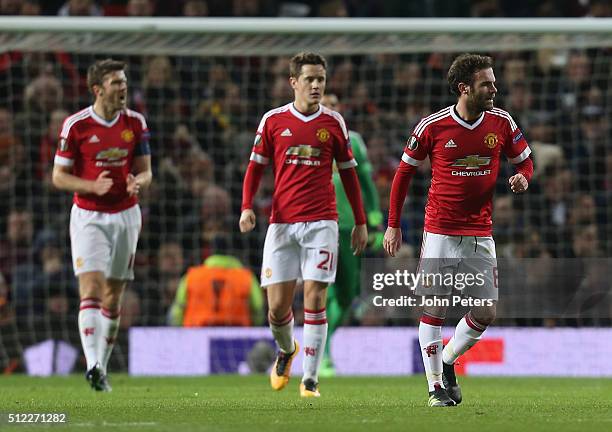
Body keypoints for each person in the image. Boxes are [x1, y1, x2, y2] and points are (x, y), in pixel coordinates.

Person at [384, 53, 533, 407]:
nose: (494, 88)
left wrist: (523, 177)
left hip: (481, 232)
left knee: (486, 312)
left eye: (494, 82)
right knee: (434, 308)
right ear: (464, 89)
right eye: (487, 83)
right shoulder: (432, 127)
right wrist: (392, 225)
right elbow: (403, 174)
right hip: (440, 232)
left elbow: (525, 160)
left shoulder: (501, 122)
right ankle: (435, 387)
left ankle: (448, 361)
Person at [239, 52, 368, 398]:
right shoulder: (273, 121)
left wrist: (360, 221)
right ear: (293, 82)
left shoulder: (334, 123)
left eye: (321, 80)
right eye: (309, 79)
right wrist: (247, 207)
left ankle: (310, 380)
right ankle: (287, 350)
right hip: (281, 225)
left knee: (316, 297)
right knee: (277, 309)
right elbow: (255, 168)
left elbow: (351, 176)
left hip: (323, 223)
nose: (316, 85)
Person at [52, 59, 152, 391]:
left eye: (124, 82)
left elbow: (146, 170)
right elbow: (58, 177)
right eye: (115, 83)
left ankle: (101, 368)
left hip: (126, 215)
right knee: (91, 289)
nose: (123, 88)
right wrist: (91, 186)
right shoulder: (76, 125)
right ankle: (93, 363)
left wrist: (138, 181)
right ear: (98, 89)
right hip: (89, 216)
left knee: (113, 295)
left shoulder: (135, 123)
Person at [319, 93, 383, 377]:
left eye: (335, 103)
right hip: (319, 225)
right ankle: (322, 354)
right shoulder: (309, 138)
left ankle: (323, 345)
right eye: (326, 104)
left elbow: (366, 183)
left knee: (348, 293)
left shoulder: (353, 140)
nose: (332, 108)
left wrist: (374, 219)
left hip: (349, 227)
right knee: (324, 289)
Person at [167, 237, 264, 327]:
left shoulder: (191, 277)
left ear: (211, 253)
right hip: (235, 337)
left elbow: (177, 312)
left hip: (196, 336)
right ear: (231, 253)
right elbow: (258, 309)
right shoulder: (247, 278)